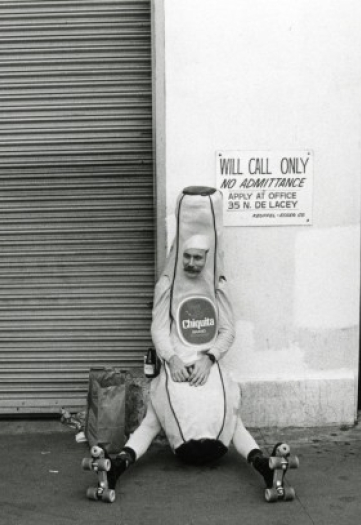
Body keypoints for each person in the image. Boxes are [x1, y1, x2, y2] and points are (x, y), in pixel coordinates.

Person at [103, 187, 280, 493]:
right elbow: (158, 329)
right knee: (158, 413)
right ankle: (117, 465)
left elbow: (228, 331)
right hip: (176, 364)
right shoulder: (167, 286)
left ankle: (263, 465)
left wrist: (208, 359)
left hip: (205, 364)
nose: (192, 263)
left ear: (207, 257)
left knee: (227, 411)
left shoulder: (216, 286)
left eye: (198, 258)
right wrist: (172, 360)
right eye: (186, 256)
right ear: (179, 253)